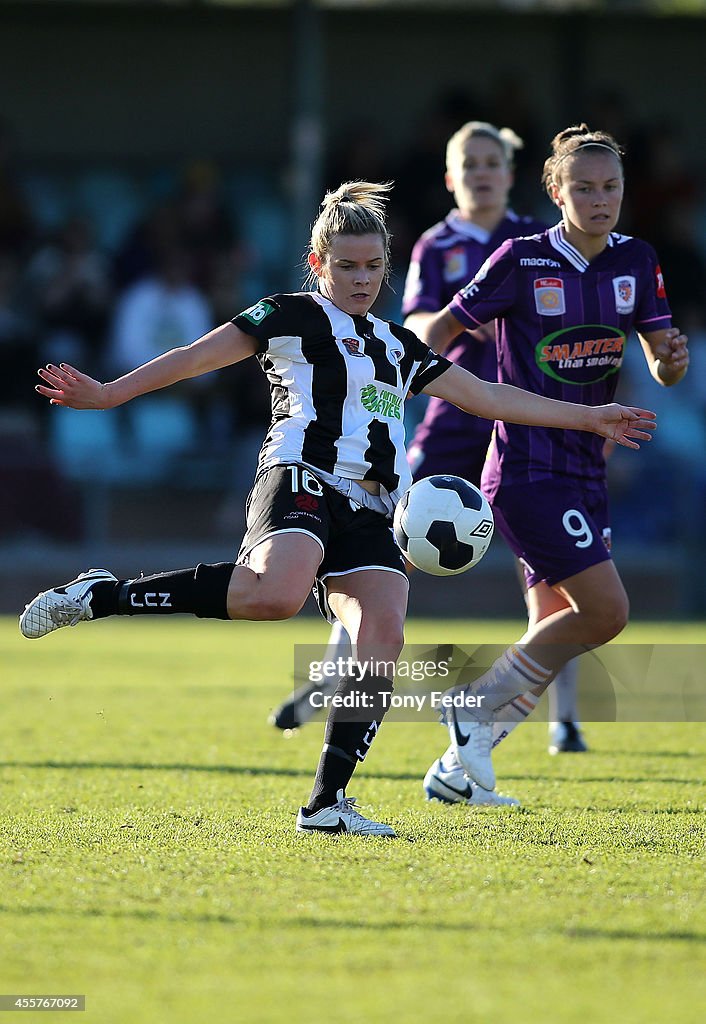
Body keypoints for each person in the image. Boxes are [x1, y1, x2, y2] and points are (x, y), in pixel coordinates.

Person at [20, 180, 657, 838]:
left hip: (374, 508)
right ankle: (104, 596)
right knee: (274, 596)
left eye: (373, 266)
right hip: (301, 473)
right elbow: (193, 358)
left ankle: (326, 805)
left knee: (382, 635)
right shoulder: (286, 315)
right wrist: (108, 395)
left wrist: (591, 417)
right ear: (319, 263)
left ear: (388, 267)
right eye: (346, 266)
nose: (361, 278)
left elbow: (490, 397)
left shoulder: (398, 344)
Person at [270, 121, 584, 781]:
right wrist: (461, 319)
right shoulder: (436, 246)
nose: (481, 174)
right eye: (468, 164)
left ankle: (566, 713)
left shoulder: (537, 243)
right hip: (450, 410)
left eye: (491, 162)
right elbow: (412, 327)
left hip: (520, 413)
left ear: (509, 171)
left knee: (556, 566)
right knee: (384, 549)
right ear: (450, 177)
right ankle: (334, 675)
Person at [415, 126, 689, 797]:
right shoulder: (520, 260)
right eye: (585, 188)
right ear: (557, 192)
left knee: (552, 629)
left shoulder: (636, 260)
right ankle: (470, 705)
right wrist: (432, 341)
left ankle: (461, 767)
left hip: (587, 468)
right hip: (525, 469)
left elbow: (661, 364)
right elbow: (432, 336)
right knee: (606, 613)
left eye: (612, 187)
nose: (601, 200)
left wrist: (670, 361)